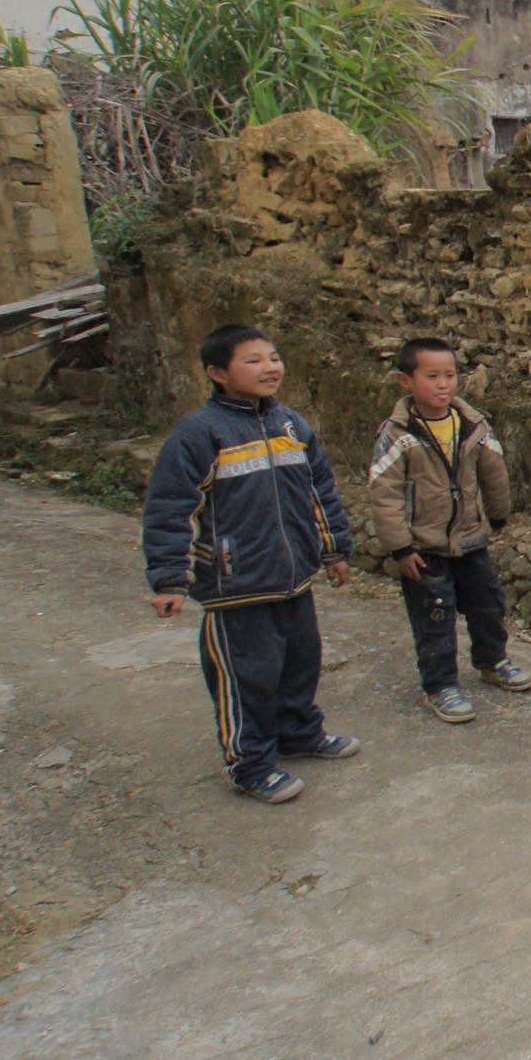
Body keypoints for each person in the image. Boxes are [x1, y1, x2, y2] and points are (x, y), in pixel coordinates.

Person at [142, 324, 359, 804]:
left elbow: (320, 491)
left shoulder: (291, 425)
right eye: (254, 360)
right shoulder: (199, 434)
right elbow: (171, 508)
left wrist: (333, 550)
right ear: (218, 373)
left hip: (293, 579)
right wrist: (170, 579)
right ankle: (251, 764)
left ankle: (298, 733)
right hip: (235, 585)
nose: (270, 367)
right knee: (247, 678)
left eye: (273, 357)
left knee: (300, 662)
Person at [368, 337, 530, 723]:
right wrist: (401, 548)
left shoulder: (472, 424)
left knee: (488, 604)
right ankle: (440, 684)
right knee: (434, 616)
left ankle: (493, 661)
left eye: (450, 375)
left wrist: (498, 516)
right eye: (432, 376)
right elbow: (384, 494)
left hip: (470, 538)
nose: (443, 385)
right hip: (424, 546)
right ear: (405, 380)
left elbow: (494, 473)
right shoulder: (398, 435)